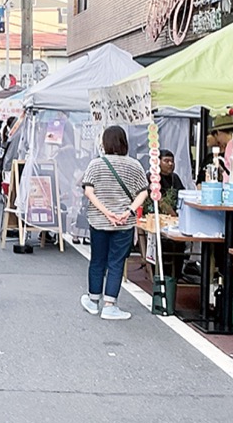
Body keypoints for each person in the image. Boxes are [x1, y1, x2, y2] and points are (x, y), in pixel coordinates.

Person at [80, 125, 149, 321]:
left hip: (99, 221)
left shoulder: (96, 164)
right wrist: (127, 211)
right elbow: (143, 192)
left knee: (97, 260)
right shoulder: (134, 165)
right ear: (124, 142)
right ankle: (110, 305)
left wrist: (107, 213)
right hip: (124, 223)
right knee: (116, 262)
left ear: (104, 143)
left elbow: (89, 191)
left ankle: (93, 301)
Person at [157, 150, 187, 216]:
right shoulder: (153, 177)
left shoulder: (175, 177)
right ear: (158, 162)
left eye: (172, 161)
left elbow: (183, 195)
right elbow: (159, 200)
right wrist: (174, 215)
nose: (170, 164)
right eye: (166, 161)